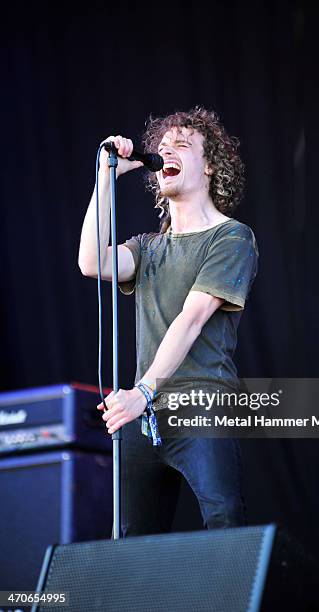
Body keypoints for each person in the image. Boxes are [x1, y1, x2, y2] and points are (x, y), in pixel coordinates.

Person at [78, 107, 259, 536]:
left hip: (201, 406)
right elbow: (90, 262)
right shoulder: (148, 248)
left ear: (210, 164)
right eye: (161, 148)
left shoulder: (232, 237)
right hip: (147, 414)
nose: (165, 151)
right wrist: (106, 178)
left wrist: (142, 390)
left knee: (224, 524)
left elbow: (192, 319)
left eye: (181, 145)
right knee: (131, 543)